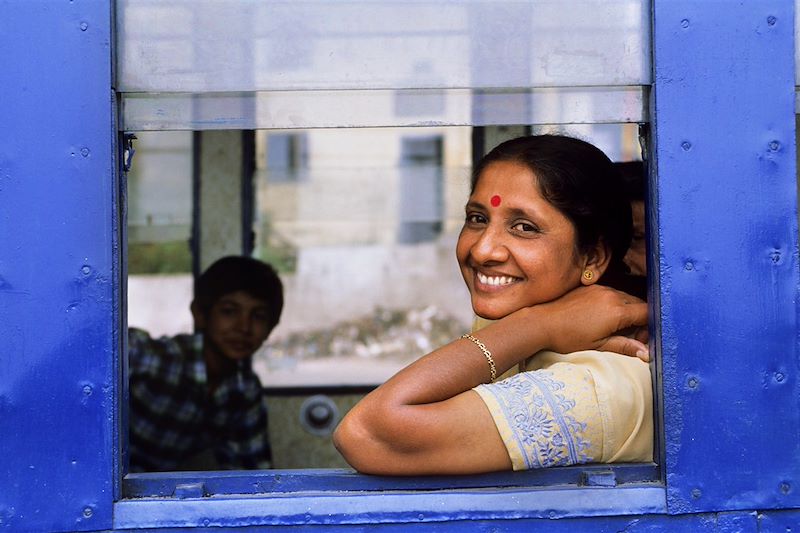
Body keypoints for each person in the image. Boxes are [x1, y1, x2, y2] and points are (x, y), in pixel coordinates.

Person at [333, 135, 652, 475]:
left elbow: (368, 434)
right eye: (477, 218)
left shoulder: (600, 386)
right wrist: (541, 323)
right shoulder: (515, 320)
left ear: (592, 256)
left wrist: (539, 325)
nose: (483, 250)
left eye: (524, 227)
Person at [128, 256, 283, 472]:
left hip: (149, 496)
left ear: (270, 328)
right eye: (229, 311)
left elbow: (251, 473)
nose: (244, 327)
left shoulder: (243, 390)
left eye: (258, 316)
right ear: (200, 314)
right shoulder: (151, 357)